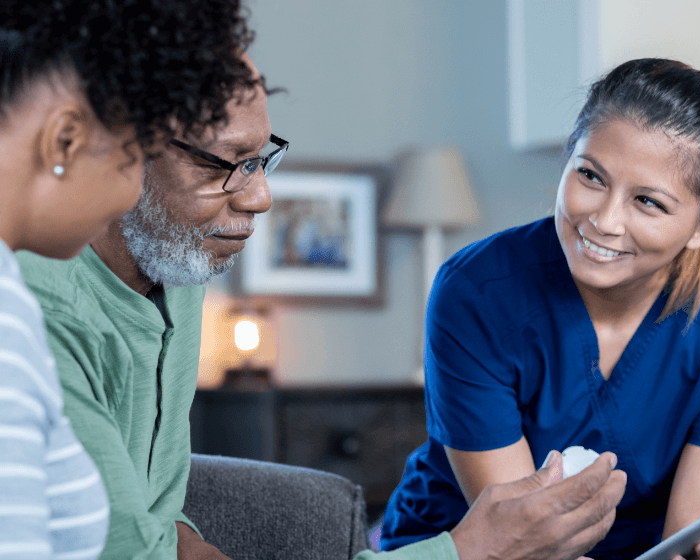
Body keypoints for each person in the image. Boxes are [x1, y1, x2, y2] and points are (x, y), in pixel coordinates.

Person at [16, 42, 627, 558]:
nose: (259, 197)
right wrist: (468, 551)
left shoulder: (177, 269)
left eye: (261, 160)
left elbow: (163, 524)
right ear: (119, 147)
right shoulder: (36, 316)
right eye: (227, 164)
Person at [381, 58, 700, 560]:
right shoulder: (476, 293)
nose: (604, 221)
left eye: (648, 202)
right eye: (591, 176)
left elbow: (687, 540)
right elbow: (524, 539)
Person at [0, 0, 270, 558]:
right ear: (66, 141)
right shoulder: (18, 313)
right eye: (131, 154)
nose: (131, 192)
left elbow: (158, 526)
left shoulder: (176, 270)